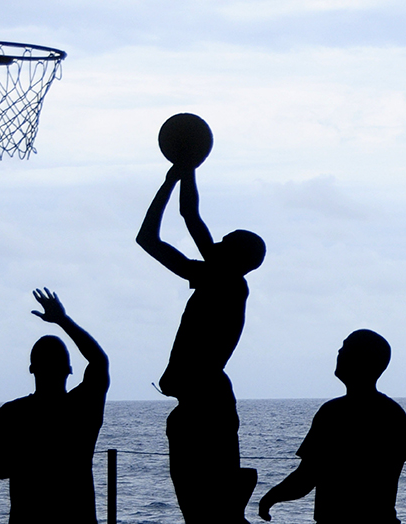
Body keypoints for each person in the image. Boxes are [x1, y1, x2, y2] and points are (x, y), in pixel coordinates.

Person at [137, 163, 265, 523]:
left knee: (208, 506)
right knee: (202, 506)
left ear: (235, 257)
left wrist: (180, 172)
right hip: (202, 401)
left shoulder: (227, 282)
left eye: (225, 242)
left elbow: (187, 217)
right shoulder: (216, 278)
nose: (217, 243)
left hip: (206, 403)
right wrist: (178, 175)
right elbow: (156, 235)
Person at [0, 288, 110, 524]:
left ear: (32, 369)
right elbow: (99, 361)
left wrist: (28, 461)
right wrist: (63, 320)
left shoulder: (12, 413)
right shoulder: (83, 408)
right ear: (69, 370)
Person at [258, 329, 406, 523]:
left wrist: (270, 498)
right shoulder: (393, 413)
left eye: (346, 348)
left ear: (361, 360)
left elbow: (306, 477)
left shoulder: (333, 413)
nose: (339, 352)